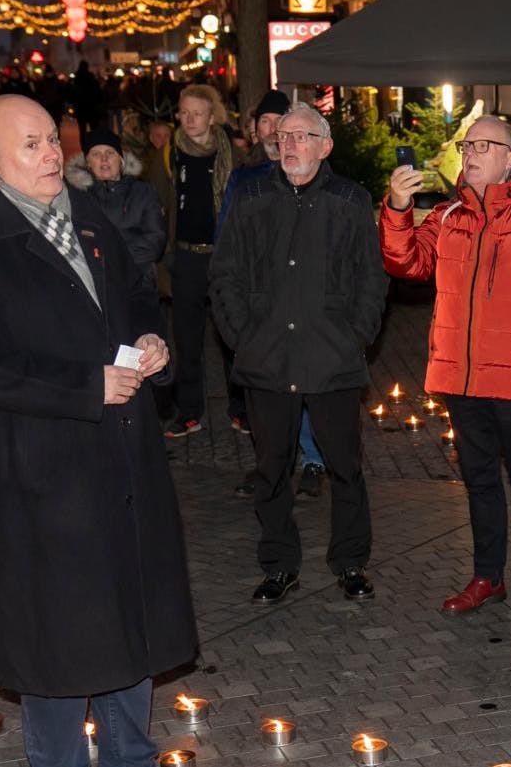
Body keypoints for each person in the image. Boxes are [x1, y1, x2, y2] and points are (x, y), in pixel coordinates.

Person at [0, 95, 197, 767]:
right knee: (60, 640)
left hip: (120, 461)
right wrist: (82, 386)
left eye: (53, 140)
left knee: (131, 620)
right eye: (34, 144)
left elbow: (130, 290)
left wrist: (149, 340)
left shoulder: (83, 211)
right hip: (36, 482)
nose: (53, 155)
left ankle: (131, 753)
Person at [381, 115, 511, 624]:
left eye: (482, 145)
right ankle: (487, 576)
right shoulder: (449, 217)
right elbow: (406, 263)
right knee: (479, 484)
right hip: (461, 380)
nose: (469, 153)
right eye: (466, 145)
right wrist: (399, 209)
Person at [210, 103, 385, 604]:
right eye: (283, 136)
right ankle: (279, 565)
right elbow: (224, 273)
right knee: (271, 469)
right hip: (267, 358)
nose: (289, 145)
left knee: (345, 467)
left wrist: (355, 336)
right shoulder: (252, 197)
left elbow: (371, 279)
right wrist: (242, 336)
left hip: (332, 359)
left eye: (301, 136)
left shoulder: (350, 201)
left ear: (325, 146)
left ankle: (350, 563)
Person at [220, 90, 330, 496]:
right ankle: (271, 465)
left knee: (303, 388)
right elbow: (227, 242)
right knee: (265, 397)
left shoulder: (318, 180)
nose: (274, 134)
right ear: (256, 131)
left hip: (302, 306)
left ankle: (313, 460)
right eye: (266, 125)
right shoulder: (244, 179)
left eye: (281, 125)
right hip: (259, 305)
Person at [154, 85, 245, 438]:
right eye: (184, 112)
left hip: (223, 258)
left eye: (197, 113)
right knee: (186, 341)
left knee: (232, 336)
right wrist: (163, 257)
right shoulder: (168, 154)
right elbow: (157, 204)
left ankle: (241, 408)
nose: (189, 119)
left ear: (212, 116)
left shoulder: (232, 155)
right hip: (187, 258)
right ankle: (190, 411)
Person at [64, 127, 166, 274]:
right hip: (95, 281)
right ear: (88, 163)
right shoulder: (77, 197)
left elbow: (155, 240)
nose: (104, 159)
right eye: (96, 154)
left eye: (110, 153)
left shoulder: (143, 192)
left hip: (138, 279)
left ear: (121, 160)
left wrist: (109, 258)